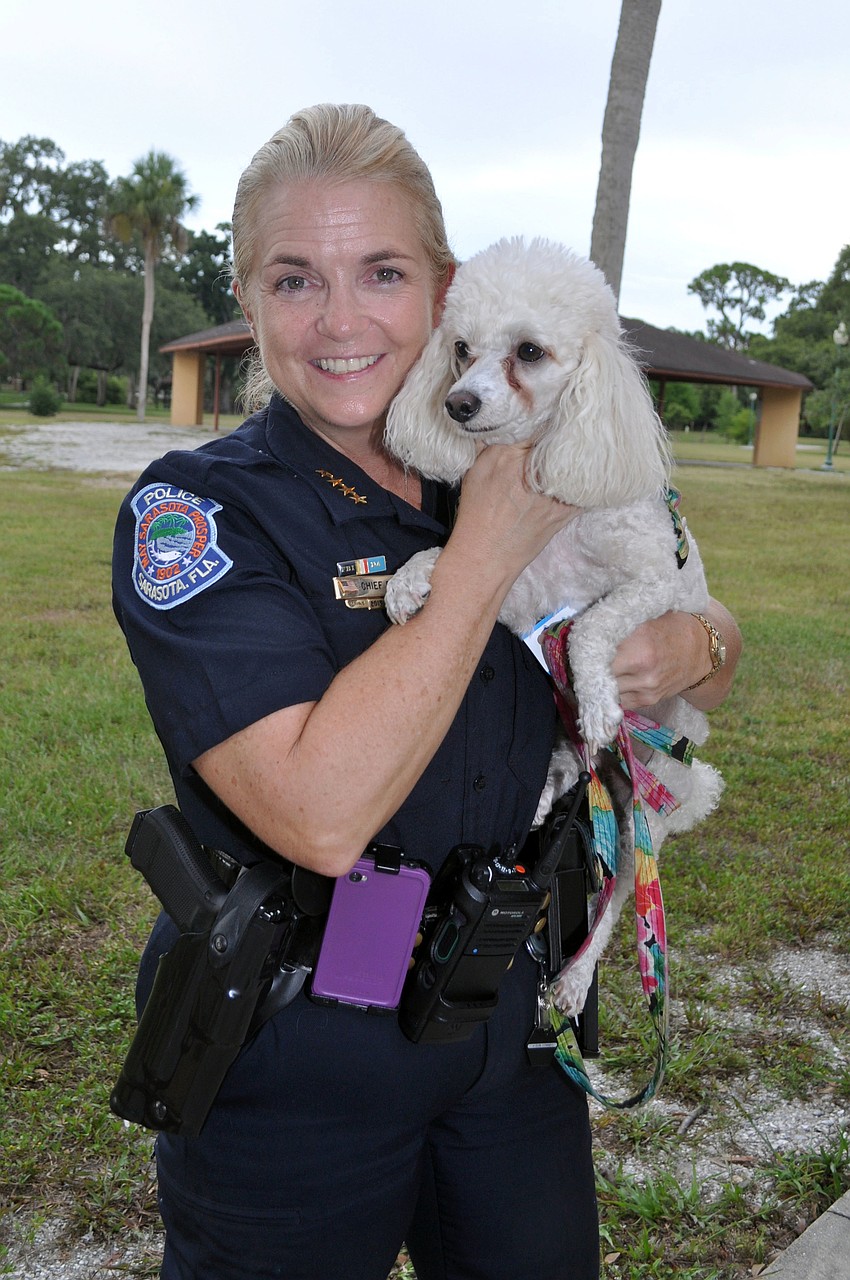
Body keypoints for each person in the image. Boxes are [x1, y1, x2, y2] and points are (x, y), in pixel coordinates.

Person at [112, 103, 741, 1280]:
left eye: (382, 273)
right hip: (295, 1040)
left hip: (505, 1014)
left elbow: (698, 614)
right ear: (247, 300)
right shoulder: (198, 512)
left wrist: (697, 643)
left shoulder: (521, 439)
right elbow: (317, 812)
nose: (342, 319)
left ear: (446, 289)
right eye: (295, 279)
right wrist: (481, 561)